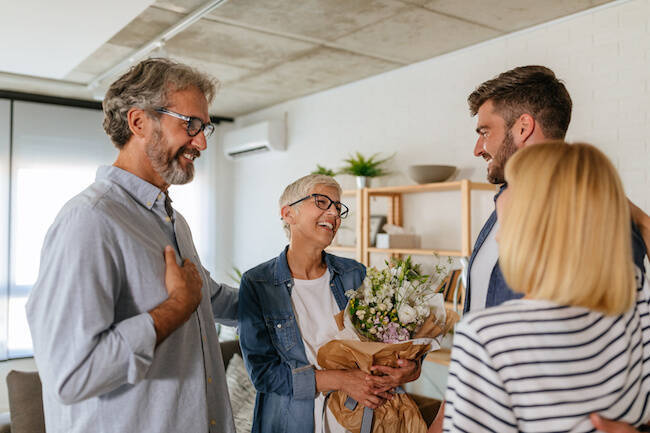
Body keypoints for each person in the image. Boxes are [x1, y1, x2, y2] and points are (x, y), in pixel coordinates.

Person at [26, 58, 239, 433]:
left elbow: (208, 297)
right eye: (190, 124)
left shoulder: (173, 221)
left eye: (205, 127)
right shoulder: (90, 220)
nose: (202, 141)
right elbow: (70, 376)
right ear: (140, 122)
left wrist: (295, 282)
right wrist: (175, 308)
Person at [443, 141, 650, 432]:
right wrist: (639, 219)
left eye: (505, 224)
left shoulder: (487, 338)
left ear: (530, 226)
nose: (500, 239)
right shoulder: (635, 298)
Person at [238, 174, 421, 433]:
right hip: (289, 422)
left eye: (338, 207)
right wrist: (342, 380)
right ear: (288, 214)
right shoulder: (257, 283)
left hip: (355, 420)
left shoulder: (355, 274)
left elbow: (388, 344)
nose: (334, 213)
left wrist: (410, 368)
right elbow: (264, 375)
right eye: (322, 202)